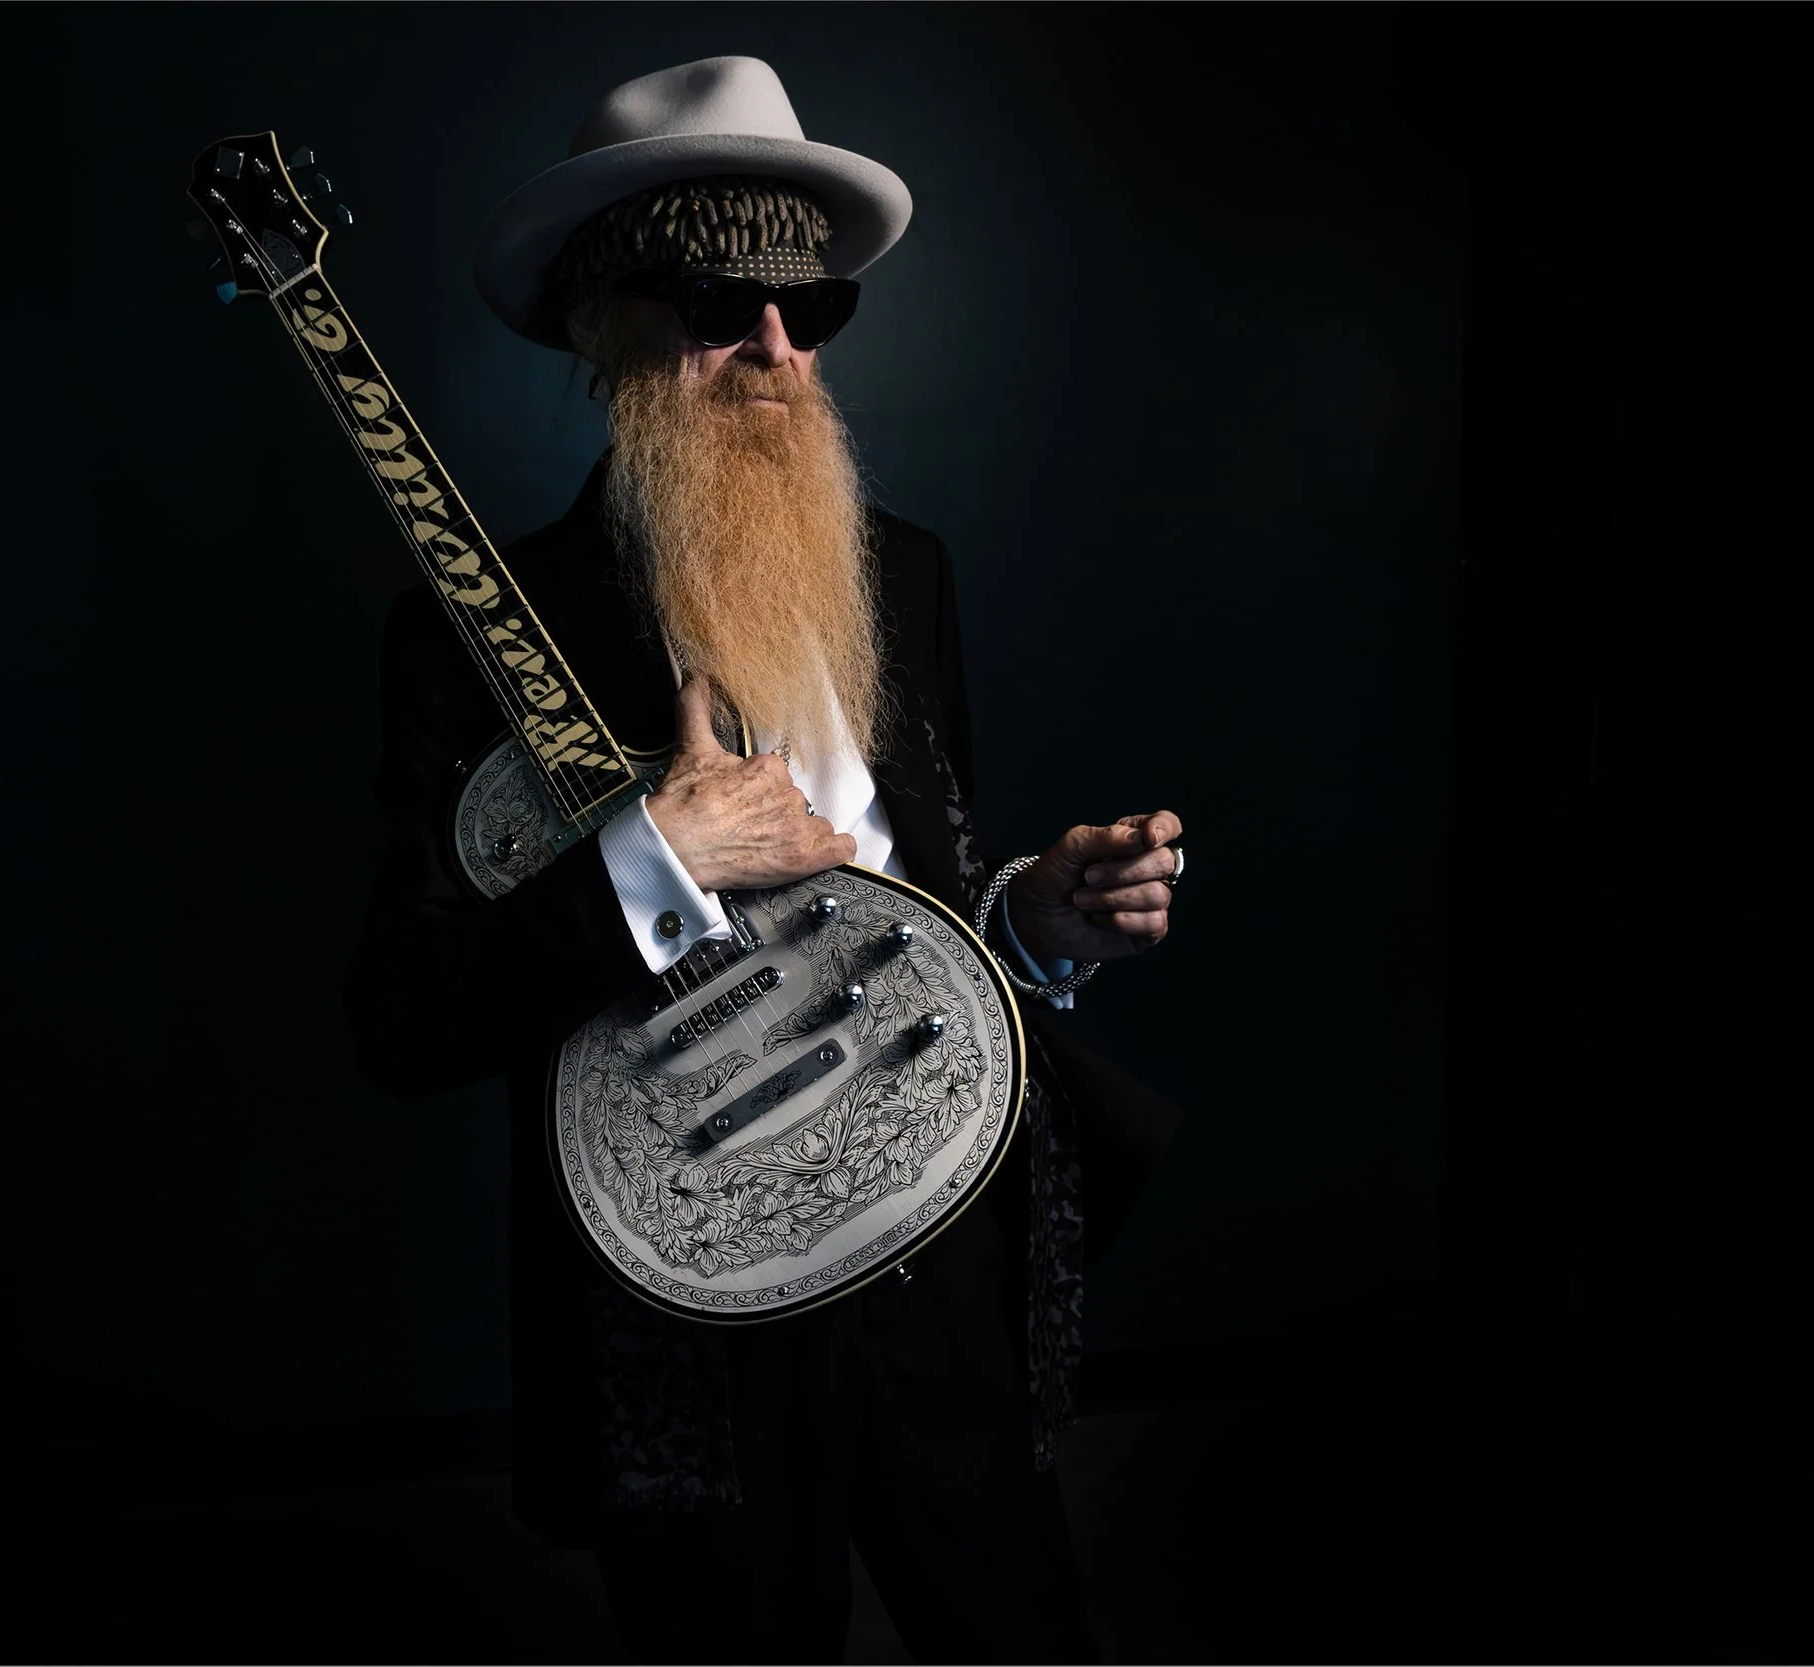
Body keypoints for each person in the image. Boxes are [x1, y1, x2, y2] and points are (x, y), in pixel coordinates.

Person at [344, 56, 1186, 1665]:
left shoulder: (902, 575)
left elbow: (904, 911)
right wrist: (651, 859)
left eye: (815, 309)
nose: (780, 349)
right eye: (724, 305)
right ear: (607, 327)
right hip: (682, 1303)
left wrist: (1037, 917)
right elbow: (400, 1020)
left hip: (942, 1248)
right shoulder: (472, 638)